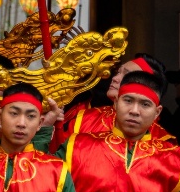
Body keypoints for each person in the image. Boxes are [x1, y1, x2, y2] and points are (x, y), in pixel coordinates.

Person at [42, 53, 170, 151]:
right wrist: (47, 128)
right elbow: (56, 160)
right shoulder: (85, 118)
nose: (114, 78)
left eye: (126, 75)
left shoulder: (162, 142)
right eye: (118, 72)